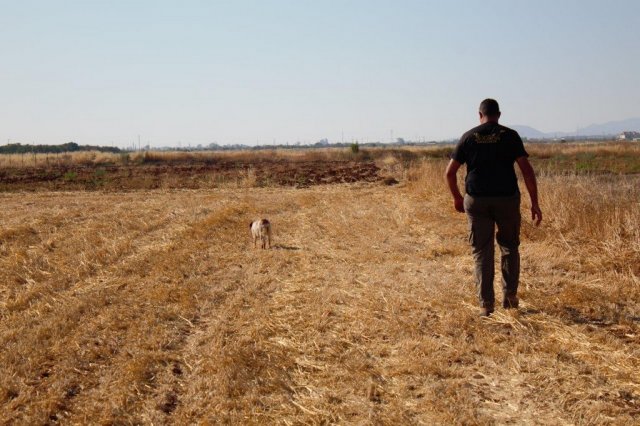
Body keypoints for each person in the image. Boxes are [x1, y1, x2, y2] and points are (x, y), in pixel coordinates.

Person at [445, 99, 542, 316]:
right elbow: (526, 170)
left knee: (482, 251)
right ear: (499, 114)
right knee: (509, 247)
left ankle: (486, 305)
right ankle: (510, 298)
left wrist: (457, 198)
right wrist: (534, 202)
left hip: (477, 201)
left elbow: (450, 173)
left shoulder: (468, 137)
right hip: (507, 199)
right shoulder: (510, 136)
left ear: (480, 114)